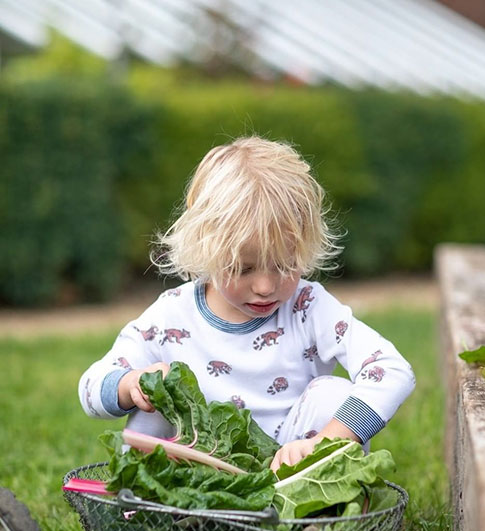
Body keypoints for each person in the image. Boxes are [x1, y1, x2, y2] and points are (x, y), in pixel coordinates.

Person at [79, 136, 415, 471]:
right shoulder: (172, 316)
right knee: (156, 394)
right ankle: (153, 516)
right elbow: (92, 387)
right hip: (192, 478)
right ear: (205, 249)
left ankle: (315, 519)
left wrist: (325, 441)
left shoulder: (307, 307)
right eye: (243, 268)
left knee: (334, 395)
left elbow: (392, 370)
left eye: (284, 266)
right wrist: (129, 385)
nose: (266, 287)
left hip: (285, 477)